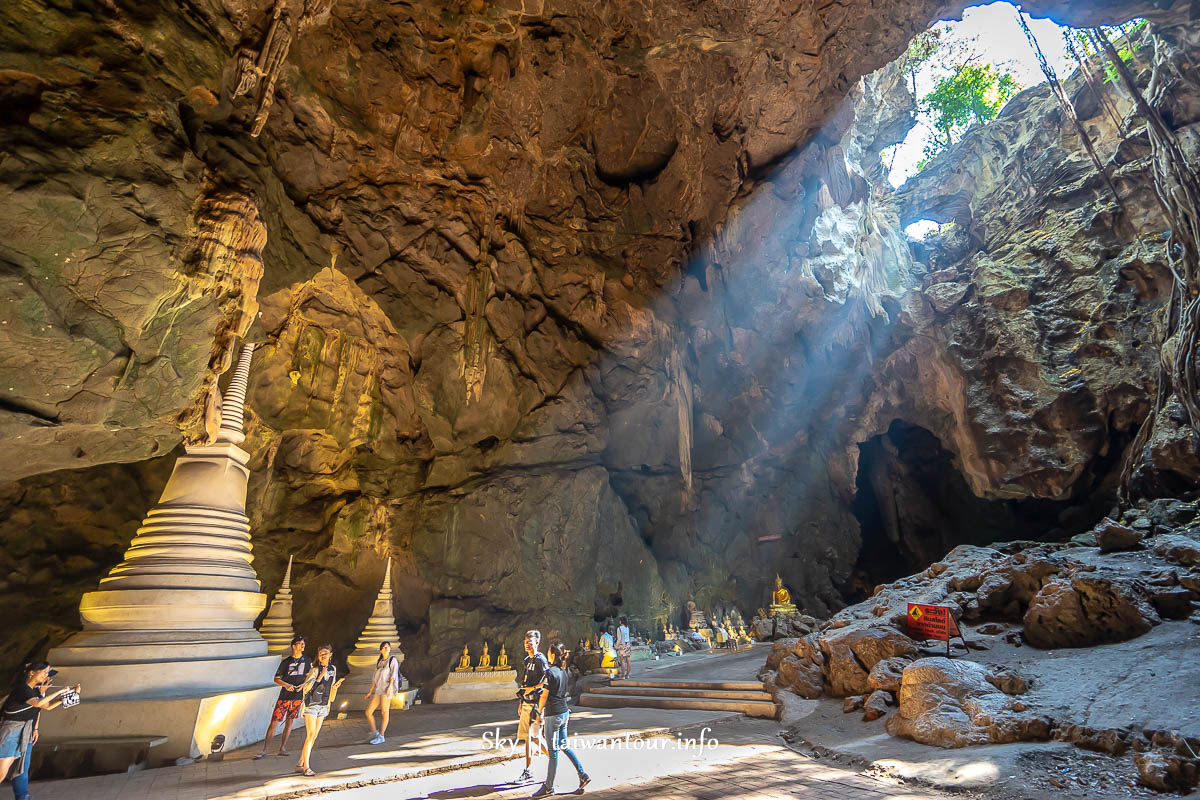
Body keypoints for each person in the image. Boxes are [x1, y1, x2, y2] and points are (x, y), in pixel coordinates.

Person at [0, 661, 78, 800]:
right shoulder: (23, 689)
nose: (46, 676)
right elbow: (39, 704)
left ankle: (22, 796)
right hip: (11, 731)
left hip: (25, 730)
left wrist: (72, 694)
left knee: (18, 768)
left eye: (48, 673)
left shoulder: (35, 691)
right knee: (2, 771)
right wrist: (61, 691)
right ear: (31, 672)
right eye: (44, 672)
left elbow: (46, 706)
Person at [531, 643, 589, 798]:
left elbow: (544, 695)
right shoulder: (563, 671)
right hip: (564, 713)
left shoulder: (550, 672)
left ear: (552, 655)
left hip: (553, 715)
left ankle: (548, 787)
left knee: (553, 752)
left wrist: (539, 712)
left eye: (549, 652)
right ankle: (582, 774)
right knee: (564, 746)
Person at [254, 636, 310, 759]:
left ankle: (283, 748)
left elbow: (309, 677)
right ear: (294, 646)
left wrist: (303, 685)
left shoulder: (307, 661)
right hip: (284, 696)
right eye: (300, 643)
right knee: (274, 721)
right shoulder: (286, 662)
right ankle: (265, 749)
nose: (302, 646)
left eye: (303, 644)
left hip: (297, 696)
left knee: (289, 722)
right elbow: (276, 678)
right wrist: (286, 685)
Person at [297, 645, 342, 776]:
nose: (323, 656)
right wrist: (319, 677)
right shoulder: (314, 670)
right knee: (310, 735)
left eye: (326, 653)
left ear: (330, 655)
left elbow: (330, 687)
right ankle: (306, 767)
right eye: (321, 653)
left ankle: (300, 763)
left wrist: (335, 687)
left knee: (314, 736)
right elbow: (307, 689)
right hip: (312, 705)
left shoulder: (332, 669)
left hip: (323, 705)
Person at [515, 629, 549, 784]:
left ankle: (554, 760)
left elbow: (548, 679)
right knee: (528, 739)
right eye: (526, 642)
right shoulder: (526, 660)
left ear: (537, 642)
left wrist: (534, 690)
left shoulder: (541, 660)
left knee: (535, 738)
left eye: (530, 642)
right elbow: (524, 683)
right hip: (526, 702)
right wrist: (521, 702)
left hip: (536, 704)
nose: (528, 645)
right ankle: (528, 770)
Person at [364, 641, 401, 745]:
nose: (386, 649)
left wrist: (390, 687)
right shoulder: (379, 662)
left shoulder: (392, 660)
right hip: (379, 690)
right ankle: (375, 732)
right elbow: (374, 679)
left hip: (386, 690)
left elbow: (393, 675)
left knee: (384, 712)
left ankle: (381, 736)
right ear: (380, 650)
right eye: (384, 647)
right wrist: (370, 692)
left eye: (388, 647)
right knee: (368, 712)